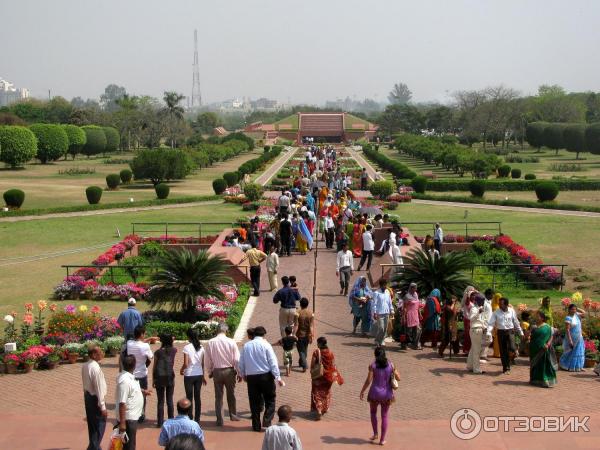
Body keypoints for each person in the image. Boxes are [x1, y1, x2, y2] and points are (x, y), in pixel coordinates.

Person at [239, 326, 285, 432]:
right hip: (266, 376)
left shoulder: (246, 346)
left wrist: (243, 374)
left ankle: (256, 425)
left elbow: (241, 362)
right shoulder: (266, 345)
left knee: (254, 402)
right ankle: (267, 420)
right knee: (270, 399)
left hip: (251, 378)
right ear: (264, 334)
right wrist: (277, 377)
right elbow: (272, 362)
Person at [359, 347, 399, 446]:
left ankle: (375, 433)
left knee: (373, 413)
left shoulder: (373, 366)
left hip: (374, 393)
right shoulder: (391, 364)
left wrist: (362, 391)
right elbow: (399, 377)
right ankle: (382, 440)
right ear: (384, 354)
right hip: (387, 394)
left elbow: (368, 381)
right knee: (384, 416)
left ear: (375, 355)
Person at [204, 322, 241, 426]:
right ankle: (233, 415)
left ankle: (220, 419)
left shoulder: (211, 342)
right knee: (231, 394)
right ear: (226, 330)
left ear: (217, 330)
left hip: (217, 371)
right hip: (229, 371)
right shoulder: (231, 342)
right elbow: (237, 359)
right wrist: (239, 372)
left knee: (218, 396)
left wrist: (210, 371)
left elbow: (207, 359)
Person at [116, 355, 152, 450]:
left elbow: (131, 389)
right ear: (134, 365)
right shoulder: (125, 381)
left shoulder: (128, 377)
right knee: (129, 446)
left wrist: (143, 391)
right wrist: (122, 423)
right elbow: (122, 403)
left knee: (130, 444)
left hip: (132, 417)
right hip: (128, 419)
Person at [310, 337, 344, 420]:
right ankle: (324, 408)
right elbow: (333, 364)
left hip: (319, 376)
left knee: (317, 393)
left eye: (318, 343)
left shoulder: (316, 352)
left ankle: (319, 410)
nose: (317, 344)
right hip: (329, 377)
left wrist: (312, 372)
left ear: (320, 343)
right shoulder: (330, 352)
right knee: (326, 393)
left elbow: (312, 364)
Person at [488, 297, 524, 374]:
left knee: (512, 347)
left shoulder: (511, 311)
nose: (499, 305)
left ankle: (513, 354)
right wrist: (488, 332)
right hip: (501, 332)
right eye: (499, 304)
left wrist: (521, 332)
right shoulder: (496, 312)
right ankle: (506, 368)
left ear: (506, 304)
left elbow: (516, 322)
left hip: (510, 331)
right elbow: (491, 323)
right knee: (503, 351)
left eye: (501, 304)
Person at [82, 345, 107, 450]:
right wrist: (102, 406)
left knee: (92, 426)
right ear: (93, 355)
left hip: (88, 396)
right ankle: (94, 447)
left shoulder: (85, 365)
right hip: (95, 398)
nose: (101, 353)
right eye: (99, 352)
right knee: (99, 425)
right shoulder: (95, 368)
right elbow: (99, 388)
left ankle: (93, 446)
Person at [126, 325, 153, 422]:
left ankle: (132, 414)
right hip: (141, 374)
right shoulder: (145, 346)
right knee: (143, 395)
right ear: (142, 334)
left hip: (131, 374)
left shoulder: (129, 343)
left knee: (131, 395)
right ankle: (141, 414)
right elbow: (151, 356)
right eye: (144, 334)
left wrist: (148, 339)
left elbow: (137, 342)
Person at [180, 328, 206, 423]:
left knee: (189, 396)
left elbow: (186, 364)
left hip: (189, 375)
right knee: (197, 397)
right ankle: (197, 419)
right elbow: (202, 364)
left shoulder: (187, 347)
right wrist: (203, 376)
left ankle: (190, 416)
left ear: (189, 336)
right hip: (198, 374)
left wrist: (181, 370)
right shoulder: (201, 347)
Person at [153, 334, 177, 427]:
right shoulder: (173, 350)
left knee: (160, 401)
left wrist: (153, 379)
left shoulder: (157, 352)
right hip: (170, 376)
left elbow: (154, 367)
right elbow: (173, 343)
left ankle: (160, 422)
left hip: (159, 377)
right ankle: (171, 420)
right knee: (170, 400)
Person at [529, 311, 557, 387]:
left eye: (538, 316)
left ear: (542, 318)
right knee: (535, 365)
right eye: (536, 316)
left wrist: (548, 344)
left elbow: (551, 336)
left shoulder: (548, 327)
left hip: (543, 349)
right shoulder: (533, 327)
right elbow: (529, 336)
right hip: (534, 349)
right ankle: (535, 380)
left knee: (544, 365)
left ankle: (546, 381)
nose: (536, 318)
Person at [559, 304, 586, 372]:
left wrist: (577, 308)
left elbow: (584, 313)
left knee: (580, 351)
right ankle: (566, 365)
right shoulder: (568, 318)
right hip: (572, 337)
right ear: (569, 310)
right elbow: (567, 330)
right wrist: (570, 340)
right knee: (570, 352)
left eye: (574, 309)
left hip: (579, 337)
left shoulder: (576, 315)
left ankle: (579, 366)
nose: (573, 310)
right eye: (572, 309)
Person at [466, 293, 488, 374]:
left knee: (473, 349)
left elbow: (480, 320)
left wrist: (484, 327)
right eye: (482, 301)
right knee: (477, 350)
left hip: (478, 330)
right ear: (478, 301)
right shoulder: (474, 309)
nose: (483, 302)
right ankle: (476, 369)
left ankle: (470, 366)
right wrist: (478, 312)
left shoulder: (479, 308)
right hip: (475, 330)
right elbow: (471, 318)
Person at [295, 298, 314, 372]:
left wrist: (293, 334)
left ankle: (304, 365)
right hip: (307, 335)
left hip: (299, 334)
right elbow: (311, 326)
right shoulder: (311, 313)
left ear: (300, 304)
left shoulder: (297, 313)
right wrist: (312, 335)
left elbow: (296, 325)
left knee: (301, 351)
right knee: (305, 349)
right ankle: (301, 362)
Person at [372, 279, 393, 347]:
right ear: (381, 286)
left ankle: (381, 340)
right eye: (384, 285)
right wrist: (374, 312)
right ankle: (377, 340)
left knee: (385, 328)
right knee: (381, 328)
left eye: (385, 285)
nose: (385, 287)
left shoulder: (387, 292)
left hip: (386, 312)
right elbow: (374, 304)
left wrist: (391, 310)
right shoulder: (376, 293)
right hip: (379, 313)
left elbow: (389, 302)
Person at [403, 283, 421, 350]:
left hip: (415, 314)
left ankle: (415, 344)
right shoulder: (407, 296)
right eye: (415, 288)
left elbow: (417, 304)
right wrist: (403, 317)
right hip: (409, 314)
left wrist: (420, 314)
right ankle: (405, 344)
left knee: (418, 330)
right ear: (411, 288)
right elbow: (404, 307)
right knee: (408, 331)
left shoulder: (416, 294)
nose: (416, 289)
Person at [461, 286, 476, 354]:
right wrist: (468, 294)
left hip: (472, 320)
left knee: (472, 336)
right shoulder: (468, 302)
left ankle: (470, 349)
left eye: (474, 295)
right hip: (467, 320)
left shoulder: (474, 302)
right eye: (472, 295)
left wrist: (475, 291)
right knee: (468, 335)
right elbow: (467, 300)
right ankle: (467, 350)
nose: (474, 296)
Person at [490, 293, 502, 358]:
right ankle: (497, 353)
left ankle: (497, 353)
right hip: (496, 325)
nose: (499, 300)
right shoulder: (495, 307)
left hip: (497, 325)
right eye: (498, 298)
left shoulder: (495, 305)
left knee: (497, 340)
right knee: (497, 340)